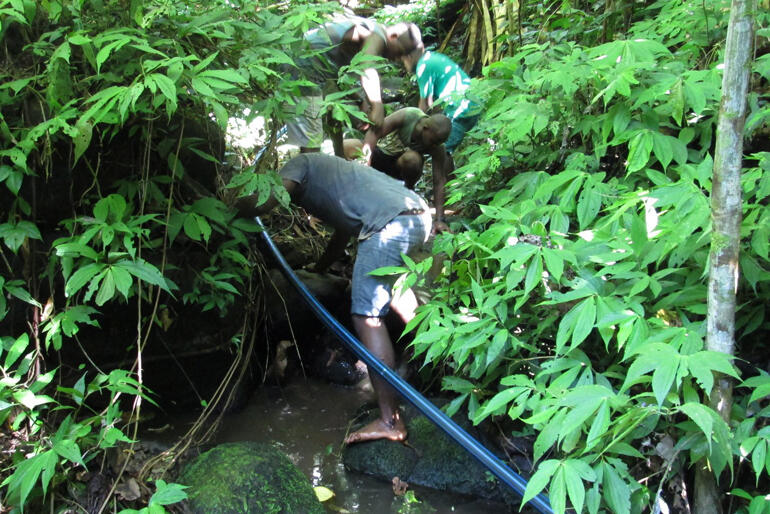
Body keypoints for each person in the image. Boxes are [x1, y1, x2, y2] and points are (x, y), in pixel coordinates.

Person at [236, 153, 432, 444]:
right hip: (417, 215)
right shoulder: (340, 175)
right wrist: (319, 270)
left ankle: (390, 420)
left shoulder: (301, 163)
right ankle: (426, 365)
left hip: (389, 225)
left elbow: (273, 195)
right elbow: (342, 232)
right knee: (392, 290)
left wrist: (235, 208)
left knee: (367, 315)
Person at [287, 14, 423, 157]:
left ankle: (339, 159)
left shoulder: (366, 29)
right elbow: (367, 66)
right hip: (301, 68)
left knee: (335, 115)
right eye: (400, 52)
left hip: (310, 68)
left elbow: (337, 74)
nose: (397, 59)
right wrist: (377, 105)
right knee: (310, 145)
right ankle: (307, 172)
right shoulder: (377, 35)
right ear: (394, 36)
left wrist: (359, 100)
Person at [342, 107, 451, 228]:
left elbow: (439, 180)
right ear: (425, 128)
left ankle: (406, 193)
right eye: (433, 141)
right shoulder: (409, 115)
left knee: (413, 159)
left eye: (438, 143)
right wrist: (365, 160)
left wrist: (440, 220)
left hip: (399, 166)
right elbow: (374, 133)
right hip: (379, 153)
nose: (434, 145)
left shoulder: (438, 147)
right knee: (346, 146)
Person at [405, 49, 480, 155]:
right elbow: (435, 106)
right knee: (442, 148)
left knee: (444, 150)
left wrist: (413, 130)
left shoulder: (423, 66)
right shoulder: (432, 57)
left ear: (408, 57)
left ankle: (444, 171)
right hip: (472, 103)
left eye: (401, 59)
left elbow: (424, 105)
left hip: (460, 108)